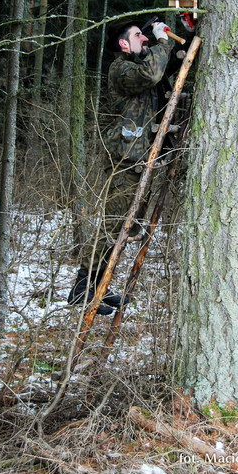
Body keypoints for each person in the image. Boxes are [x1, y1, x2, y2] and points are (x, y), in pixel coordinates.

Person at [68, 18, 178, 315]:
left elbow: (164, 70)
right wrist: (162, 41)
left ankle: (100, 286)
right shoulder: (121, 69)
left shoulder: (140, 66)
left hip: (139, 163)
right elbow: (153, 73)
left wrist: (178, 35)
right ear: (123, 44)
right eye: (139, 36)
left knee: (125, 229)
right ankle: (81, 289)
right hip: (123, 163)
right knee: (111, 227)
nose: (145, 40)